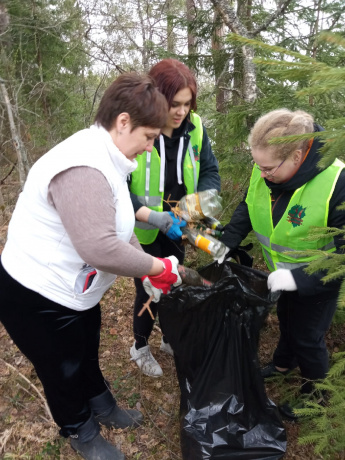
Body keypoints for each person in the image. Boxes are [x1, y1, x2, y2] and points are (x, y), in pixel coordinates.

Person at [0, 73, 183, 460]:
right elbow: (99, 247)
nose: (151, 148)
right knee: (62, 367)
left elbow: (118, 226)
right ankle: (80, 429)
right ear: (123, 122)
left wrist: (144, 269)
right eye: (149, 137)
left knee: (84, 348)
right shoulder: (82, 166)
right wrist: (156, 267)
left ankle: (102, 405)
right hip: (38, 294)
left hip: (74, 291)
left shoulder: (110, 158)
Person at [220, 109, 345, 420]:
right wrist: (228, 240)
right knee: (288, 320)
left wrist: (299, 280)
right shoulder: (264, 168)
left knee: (308, 335)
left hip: (318, 281)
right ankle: (282, 364)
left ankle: (316, 395)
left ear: (298, 155)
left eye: (269, 169)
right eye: (258, 166)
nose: (262, 174)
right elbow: (249, 205)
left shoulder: (336, 183)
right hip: (282, 272)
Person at [128, 59, 221, 377]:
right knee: (149, 287)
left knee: (176, 279)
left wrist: (199, 208)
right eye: (173, 104)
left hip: (180, 222)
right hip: (144, 228)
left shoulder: (195, 128)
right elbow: (118, 189)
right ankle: (139, 346)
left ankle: (170, 337)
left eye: (186, 104)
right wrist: (153, 217)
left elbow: (209, 170)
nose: (180, 112)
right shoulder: (138, 129)